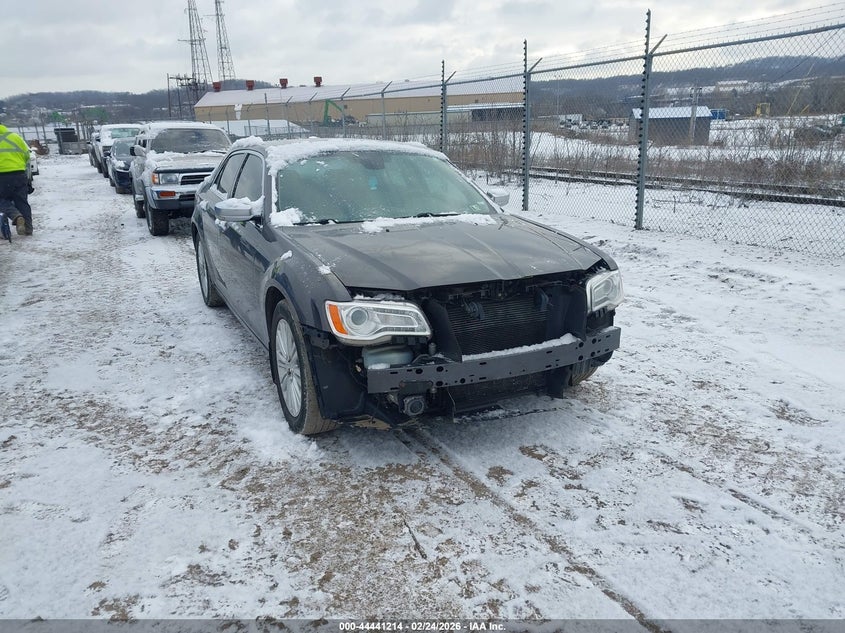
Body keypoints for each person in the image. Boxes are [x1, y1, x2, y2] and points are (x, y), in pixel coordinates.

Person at [0, 118, 33, 236]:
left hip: (1, 176)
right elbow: (26, 155)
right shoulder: (15, 137)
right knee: (22, 201)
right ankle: (28, 229)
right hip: (19, 173)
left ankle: (15, 215)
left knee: (1, 200)